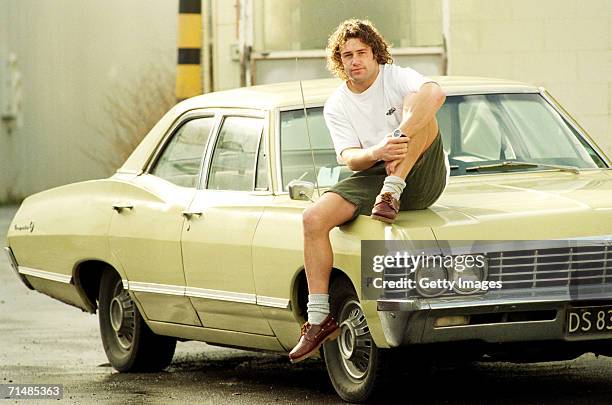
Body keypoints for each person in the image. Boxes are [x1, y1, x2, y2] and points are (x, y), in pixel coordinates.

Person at [288, 19, 448, 363]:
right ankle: (319, 319)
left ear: (375, 54)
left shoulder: (395, 76)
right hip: (374, 171)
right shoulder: (337, 104)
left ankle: (392, 189)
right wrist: (378, 152)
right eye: (347, 55)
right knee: (312, 218)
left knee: (422, 108)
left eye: (362, 52)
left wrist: (398, 138)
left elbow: (436, 94)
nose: (355, 60)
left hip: (419, 174)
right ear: (339, 61)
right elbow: (350, 159)